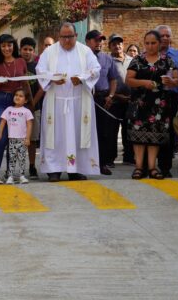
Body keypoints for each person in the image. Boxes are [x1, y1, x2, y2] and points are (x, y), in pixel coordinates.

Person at [36, 22, 101, 181]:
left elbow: (95, 69)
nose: (66, 40)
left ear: (76, 36)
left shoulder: (85, 51)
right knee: (55, 137)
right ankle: (54, 170)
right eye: (63, 37)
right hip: (55, 103)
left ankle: (76, 169)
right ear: (59, 37)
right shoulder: (49, 51)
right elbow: (40, 70)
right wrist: (52, 78)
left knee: (78, 135)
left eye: (70, 37)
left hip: (79, 103)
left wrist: (81, 78)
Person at [125, 30, 178, 179]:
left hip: (159, 105)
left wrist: (171, 81)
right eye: (147, 43)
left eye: (153, 43)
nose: (150, 46)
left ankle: (152, 168)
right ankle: (138, 167)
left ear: (159, 43)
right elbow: (128, 79)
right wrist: (144, 83)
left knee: (155, 136)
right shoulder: (137, 60)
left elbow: (177, 80)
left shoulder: (167, 60)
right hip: (139, 104)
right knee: (138, 137)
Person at [0, 34, 31, 183]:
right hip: (0, 100)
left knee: (13, 138)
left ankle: (9, 173)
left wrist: (29, 102)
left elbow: (25, 84)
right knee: (1, 138)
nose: (7, 48)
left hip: (17, 102)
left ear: (14, 46)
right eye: (3, 45)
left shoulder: (21, 62)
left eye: (9, 45)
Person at [154, 25, 178, 178]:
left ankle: (165, 167)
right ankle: (151, 165)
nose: (165, 38)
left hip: (171, 98)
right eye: (162, 35)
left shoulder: (177, 55)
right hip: (152, 99)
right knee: (154, 132)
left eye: (168, 35)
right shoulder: (148, 55)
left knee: (168, 133)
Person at [85, 30, 118, 175]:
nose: (99, 43)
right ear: (87, 41)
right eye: (96, 40)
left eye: (101, 40)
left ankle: (102, 163)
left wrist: (111, 95)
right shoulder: (82, 58)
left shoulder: (107, 58)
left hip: (103, 99)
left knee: (104, 132)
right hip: (86, 98)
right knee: (86, 132)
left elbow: (113, 79)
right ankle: (85, 163)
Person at [0, 88, 34, 184]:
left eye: (21, 96)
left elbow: (29, 125)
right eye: (16, 95)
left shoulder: (26, 111)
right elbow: (3, 122)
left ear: (25, 100)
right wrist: (0, 133)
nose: (17, 97)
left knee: (22, 158)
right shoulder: (9, 109)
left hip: (22, 140)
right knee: (12, 158)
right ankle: (10, 176)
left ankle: (22, 176)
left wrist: (28, 138)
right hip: (12, 139)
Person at [108, 34, 134, 165]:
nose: (117, 46)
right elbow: (106, 82)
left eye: (119, 43)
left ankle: (129, 157)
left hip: (130, 101)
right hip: (114, 101)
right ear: (110, 47)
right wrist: (117, 95)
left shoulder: (131, 60)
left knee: (128, 130)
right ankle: (110, 158)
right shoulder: (107, 61)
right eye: (114, 44)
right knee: (112, 131)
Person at [20, 37, 43, 178]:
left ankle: (32, 165)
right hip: (18, 109)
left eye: (30, 50)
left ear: (34, 52)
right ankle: (17, 166)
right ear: (20, 49)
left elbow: (42, 88)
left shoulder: (38, 68)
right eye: (25, 49)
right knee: (16, 139)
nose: (27, 52)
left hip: (34, 108)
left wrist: (32, 105)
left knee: (32, 139)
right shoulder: (16, 65)